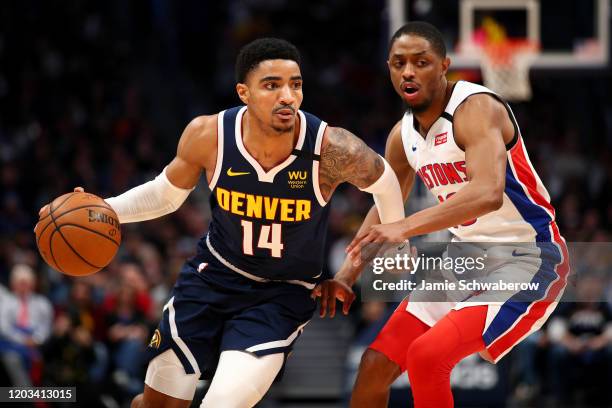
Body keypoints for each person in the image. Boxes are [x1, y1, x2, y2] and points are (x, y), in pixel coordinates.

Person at [42, 38, 404, 407]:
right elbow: (166, 195)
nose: (287, 96)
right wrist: (101, 209)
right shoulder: (209, 134)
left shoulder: (332, 148)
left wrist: (353, 271)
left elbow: (388, 185)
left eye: (295, 84)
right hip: (210, 278)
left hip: (281, 295)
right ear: (243, 92)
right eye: (272, 85)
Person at [316, 22, 570, 407]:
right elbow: (385, 208)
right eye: (399, 63)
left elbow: (486, 193)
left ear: (444, 66)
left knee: (426, 357)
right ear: (388, 68)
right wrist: (346, 276)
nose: (409, 72)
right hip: (465, 258)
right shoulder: (402, 136)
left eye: (421, 62)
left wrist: (402, 228)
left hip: (528, 258)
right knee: (374, 364)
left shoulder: (476, 108)